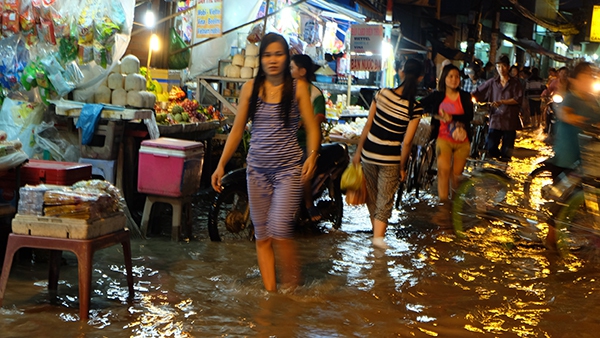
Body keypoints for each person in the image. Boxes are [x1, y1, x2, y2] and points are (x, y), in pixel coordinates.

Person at [211, 33, 321, 292]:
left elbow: (313, 127)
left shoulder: (298, 88)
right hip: (257, 171)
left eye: (279, 54)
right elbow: (237, 130)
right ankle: (272, 296)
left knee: (280, 232)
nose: (273, 60)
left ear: (287, 57)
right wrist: (221, 165)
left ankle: (292, 290)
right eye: (267, 55)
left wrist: (313, 154)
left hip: (288, 171)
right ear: (261, 58)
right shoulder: (250, 88)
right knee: (262, 236)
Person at [353, 58, 424, 248]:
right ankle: (378, 245)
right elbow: (407, 142)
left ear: (401, 72)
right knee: (384, 202)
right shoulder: (415, 108)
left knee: (373, 198)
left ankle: (375, 241)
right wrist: (402, 167)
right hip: (390, 159)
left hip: (369, 153)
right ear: (420, 78)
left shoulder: (381, 94)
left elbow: (368, 125)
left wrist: (358, 153)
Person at [421, 64, 474, 205]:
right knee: (443, 172)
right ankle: (443, 205)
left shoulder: (465, 96)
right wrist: (435, 114)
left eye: (457, 76)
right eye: (450, 76)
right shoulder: (437, 96)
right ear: (444, 78)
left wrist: (452, 118)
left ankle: (454, 204)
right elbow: (420, 105)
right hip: (443, 139)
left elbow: (469, 116)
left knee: (456, 177)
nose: (454, 79)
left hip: (462, 141)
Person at [290, 54, 326, 221]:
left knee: (302, 173)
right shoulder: (286, 90)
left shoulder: (315, 93)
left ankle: (309, 205)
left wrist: (304, 122)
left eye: (292, 68)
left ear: (302, 71)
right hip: (287, 141)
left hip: (305, 142)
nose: (289, 71)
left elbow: (319, 116)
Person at [548, 62, 600, 176]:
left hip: (587, 156)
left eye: (590, 75)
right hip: (568, 153)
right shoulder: (570, 97)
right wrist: (577, 119)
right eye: (585, 75)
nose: (589, 78)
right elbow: (564, 113)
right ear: (575, 80)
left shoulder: (592, 99)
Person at [472, 54, 523, 160]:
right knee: (490, 147)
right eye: (498, 66)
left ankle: (503, 169)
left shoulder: (515, 83)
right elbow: (477, 91)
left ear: (508, 67)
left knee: (507, 153)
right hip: (495, 120)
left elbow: (517, 99)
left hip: (510, 120)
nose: (501, 69)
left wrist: (502, 102)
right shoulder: (492, 82)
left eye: (503, 66)